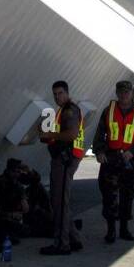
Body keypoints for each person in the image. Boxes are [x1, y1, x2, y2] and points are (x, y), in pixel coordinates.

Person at [92, 79, 134, 243]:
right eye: (121, 92)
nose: (124, 95)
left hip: (130, 161)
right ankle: (111, 231)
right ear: (117, 93)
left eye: (127, 92)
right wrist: (99, 151)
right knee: (109, 195)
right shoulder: (108, 111)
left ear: (132, 93)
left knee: (128, 194)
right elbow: (99, 134)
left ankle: (124, 229)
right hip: (111, 159)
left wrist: (133, 152)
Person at [39, 80, 85, 255]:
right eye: (55, 94)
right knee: (61, 202)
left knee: (59, 203)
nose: (57, 97)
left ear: (66, 93)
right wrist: (50, 137)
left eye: (60, 93)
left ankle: (61, 244)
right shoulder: (64, 111)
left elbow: (71, 134)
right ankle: (73, 238)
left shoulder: (69, 110)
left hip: (65, 160)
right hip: (65, 158)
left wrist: (50, 134)